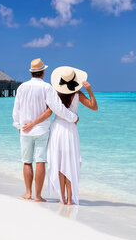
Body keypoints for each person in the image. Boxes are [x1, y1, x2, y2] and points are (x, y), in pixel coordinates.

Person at [23, 66, 98, 205]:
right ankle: (69, 199)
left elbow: (47, 113)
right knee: (70, 162)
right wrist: (89, 90)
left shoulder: (55, 93)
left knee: (59, 163)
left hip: (58, 129)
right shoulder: (78, 94)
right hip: (71, 130)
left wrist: (31, 124)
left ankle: (61, 199)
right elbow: (94, 107)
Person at [12, 59, 79, 202]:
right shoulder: (47, 88)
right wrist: (73, 118)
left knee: (26, 162)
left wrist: (19, 126)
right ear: (42, 72)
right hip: (42, 130)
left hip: (25, 130)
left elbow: (16, 110)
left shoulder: (21, 87)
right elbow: (57, 108)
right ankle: (38, 196)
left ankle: (28, 193)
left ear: (31, 72)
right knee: (40, 161)